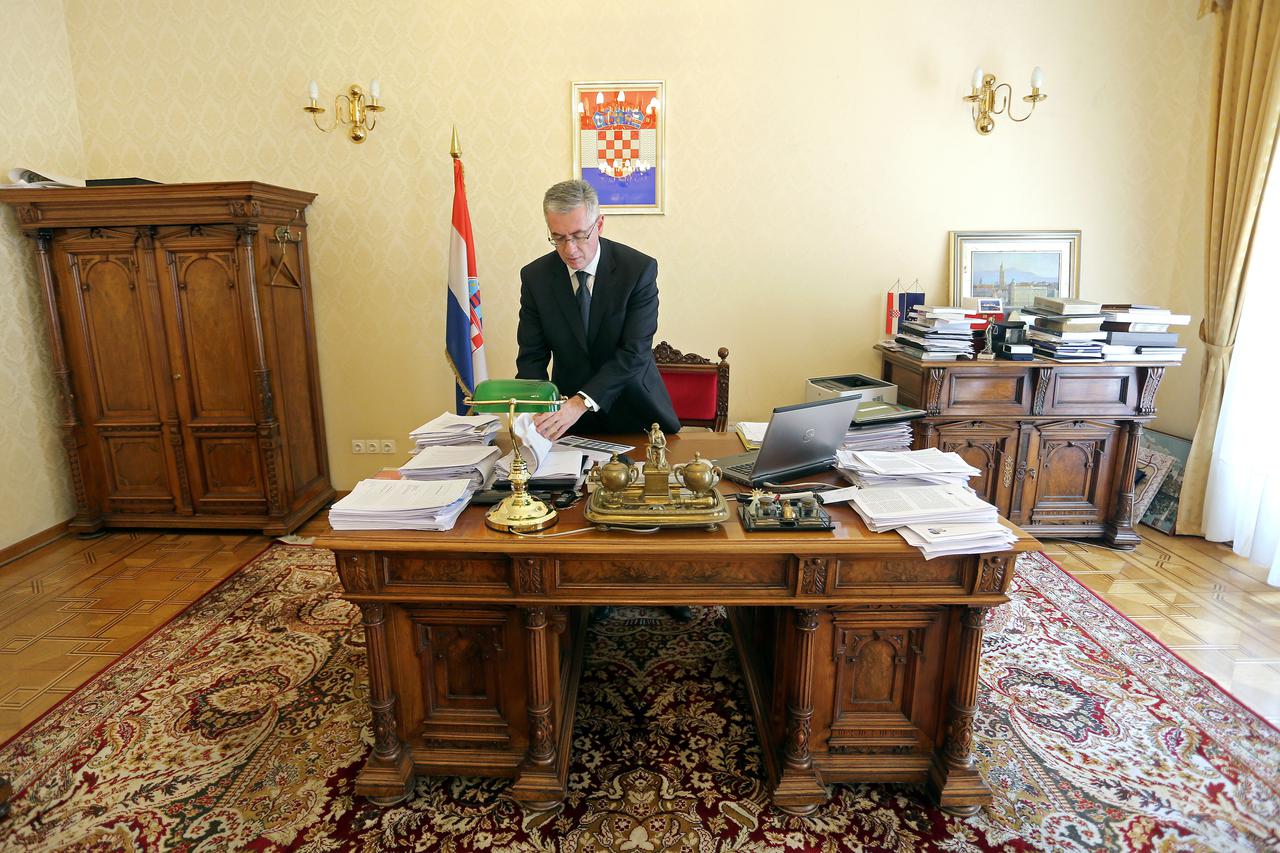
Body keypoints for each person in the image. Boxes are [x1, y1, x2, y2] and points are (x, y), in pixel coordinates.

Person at [517, 179, 680, 442]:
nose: (570, 249)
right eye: (558, 238)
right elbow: (531, 358)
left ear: (599, 225)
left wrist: (580, 403)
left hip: (636, 414)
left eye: (580, 235)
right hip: (567, 422)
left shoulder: (637, 270)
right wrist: (536, 410)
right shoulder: (536, 278)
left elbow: (634, 352)